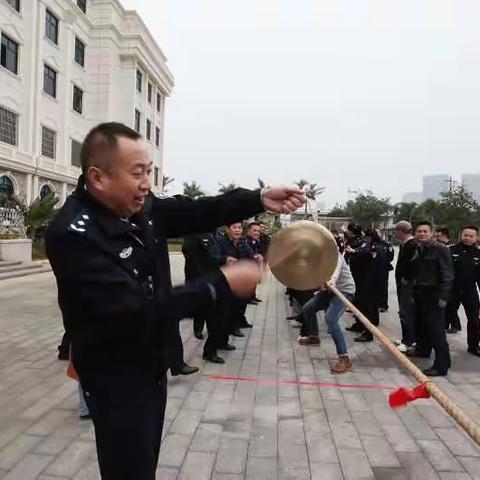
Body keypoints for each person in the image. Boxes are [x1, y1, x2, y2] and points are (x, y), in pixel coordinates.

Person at [45, 122, 305, 480]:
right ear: (98, 176)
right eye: (137, 173)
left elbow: (197, 211)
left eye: (149, 172)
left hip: (151, 363)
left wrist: (257, 199)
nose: (147, 184)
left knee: (145, 461)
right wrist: (220, 284)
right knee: (129, 467)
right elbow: (137, 312)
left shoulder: (141, 207)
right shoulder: (75, 235)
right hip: (115, 375)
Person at [407, 221, 453, 376]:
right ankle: (423, 350)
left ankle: (442, 365)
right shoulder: (419, 248)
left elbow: (447, 275)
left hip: (435, 295)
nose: (422, 234)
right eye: (419, 231)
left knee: (436, 331)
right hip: (421, 293)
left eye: (425, 231)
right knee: (420, 326)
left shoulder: (440, 249)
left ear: (432, 233)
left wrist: (444, 297)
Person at [298, 252, 356, 374]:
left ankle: (344, 358)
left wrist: (332, 280)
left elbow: (336, 269)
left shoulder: (335, 255)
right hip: (329, 291)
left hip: (344, 291)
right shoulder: (317, 258)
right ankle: (314, 337)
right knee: (308, 308)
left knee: (330, 318)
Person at [210, 222, 260, 338]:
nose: (237, 230)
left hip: (238, 281)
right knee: (221, 314)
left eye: (239, 228)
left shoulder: (242, 242)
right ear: (227, 230)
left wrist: (256, 257)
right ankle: (211, 350)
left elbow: (250, 254)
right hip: (223, 281)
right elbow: (212, 257)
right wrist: (225, 259)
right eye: (234, 227)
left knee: (236, 309)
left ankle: (229, 333)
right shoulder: (220, 242)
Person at [445, 226, 480, 356]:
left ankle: (473, 346)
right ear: (461, 234)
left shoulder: (478, 253)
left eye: (471, 236)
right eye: (466, 235)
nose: (468, 238)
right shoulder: (451, 250)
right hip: (452, 291)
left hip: (470, 291)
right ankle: (436, 344)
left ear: (475, 237)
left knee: (474, 321)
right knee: (444, 318)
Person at [393, 221, 416, 353]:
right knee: (403, 311)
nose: (395, 233)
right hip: (402, 284)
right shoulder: (405, 245)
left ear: (401, 231)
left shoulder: (412, 245)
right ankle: (406, 338)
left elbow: (412, 266)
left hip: (408, 285)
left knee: (407, 312)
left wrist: (407, 280)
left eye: (396, 230)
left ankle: (409, 341)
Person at [374, 229, 394, 311]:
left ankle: (383, 305)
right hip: (374, 269)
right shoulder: (372, 244)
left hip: (383, 269)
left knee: (383, 286)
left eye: (377, 233)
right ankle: (376, 303)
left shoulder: (387, 245)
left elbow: (391, 256)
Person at [245, 222, 264, 304]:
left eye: (258, 231)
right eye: (254, 230)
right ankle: (248, 298)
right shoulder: (245, 241)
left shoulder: (256, 241)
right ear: (249, 231)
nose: (256, 233)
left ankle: (253, 296)